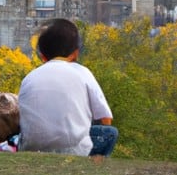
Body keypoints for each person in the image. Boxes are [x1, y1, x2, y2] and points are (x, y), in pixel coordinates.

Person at [18, 18, 118, 157]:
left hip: (31, 148)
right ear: (76, 52)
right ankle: (94, 170)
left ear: (42, 56)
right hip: (73, 150)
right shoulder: (82, 72)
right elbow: (105, 119)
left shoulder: (29, 78)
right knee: (110, 134)